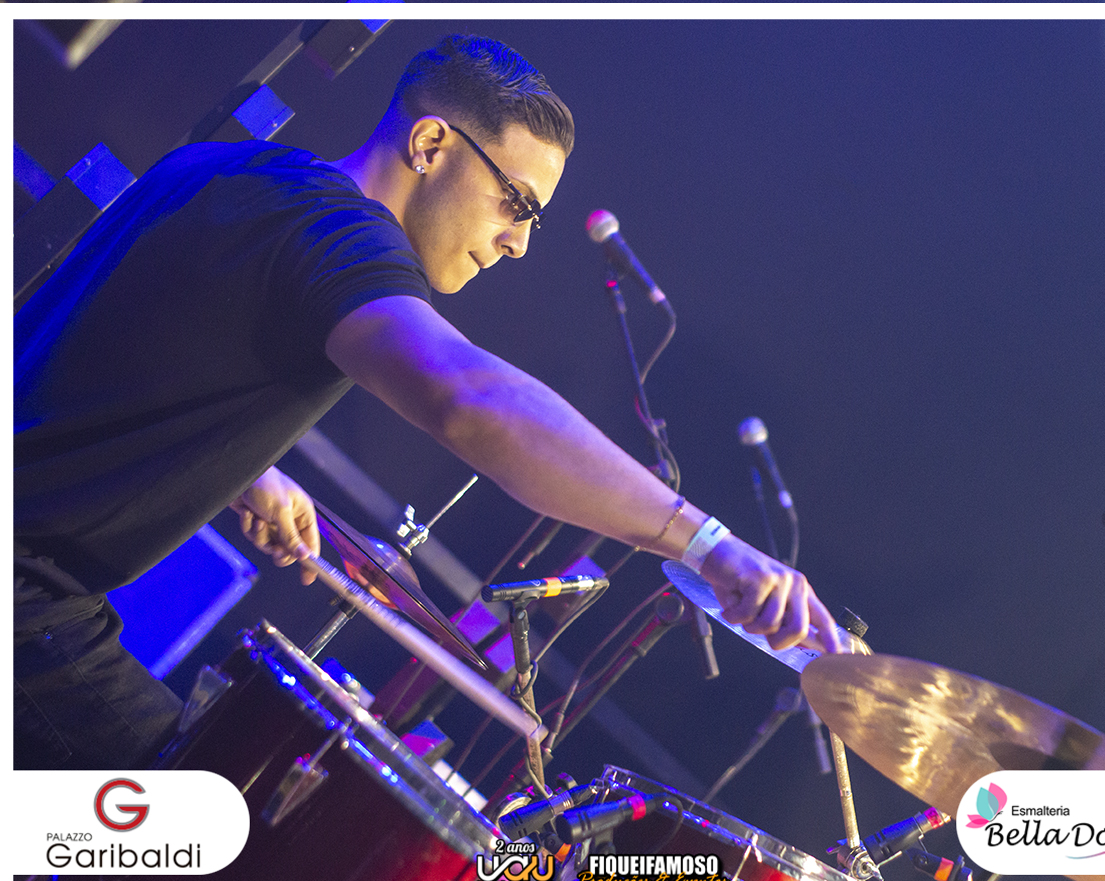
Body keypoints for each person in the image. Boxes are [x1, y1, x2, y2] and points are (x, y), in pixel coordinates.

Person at [14, 34, 844, 771]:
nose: (519, 242)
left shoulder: (229, 170)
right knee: (218, 843)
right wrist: (706, 545)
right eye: (517, 203)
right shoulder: (341, 239)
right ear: (430, 143)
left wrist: (245, 473)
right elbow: (468, 398)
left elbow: (119, 348)